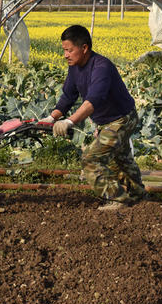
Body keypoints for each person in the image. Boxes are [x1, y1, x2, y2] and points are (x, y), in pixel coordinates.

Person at [40, 24, 146, 211]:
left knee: (91, 159)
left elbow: (93, 100)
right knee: (120, 159)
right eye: (64, 50)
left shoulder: (101, 67)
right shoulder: (75, 67)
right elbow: (68, 96)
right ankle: (138, 195)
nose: (65, 55)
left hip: (122, 118)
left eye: (69, 50)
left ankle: (119, 200)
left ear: (84, 48)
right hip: (107, 121)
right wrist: (52, 117)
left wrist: (70, 121)